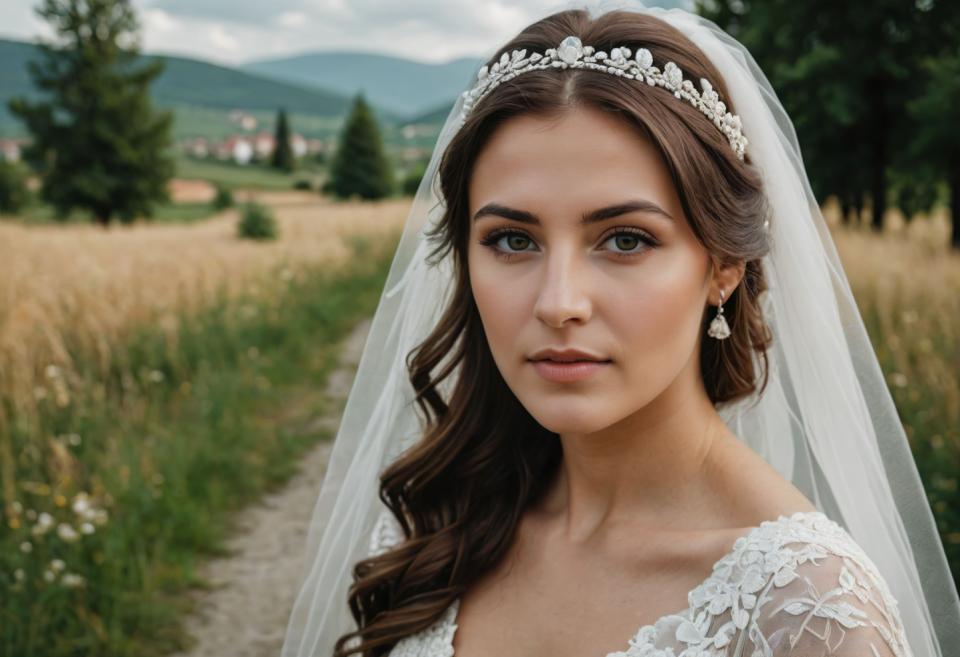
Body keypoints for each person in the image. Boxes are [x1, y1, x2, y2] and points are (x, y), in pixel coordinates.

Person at [280, 2, 960, 657]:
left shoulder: (807, 613)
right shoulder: (441, 523)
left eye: (626, 239)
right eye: (513, 239)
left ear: (724, 265)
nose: (559, 302)